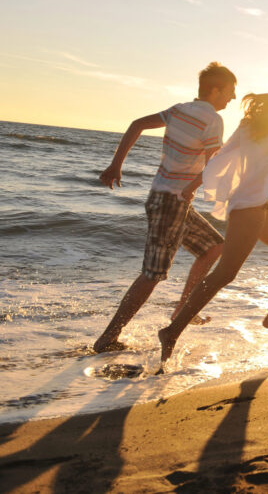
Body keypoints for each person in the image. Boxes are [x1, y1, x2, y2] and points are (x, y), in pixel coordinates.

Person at [158, 81, 268, 365]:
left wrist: (195, 185)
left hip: (249, 205)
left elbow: (220, 156)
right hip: (252, 208)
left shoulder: (250, 123)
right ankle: (172, 331)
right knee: (225, 274)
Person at [93, 62, 237, 353]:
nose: (232, 98)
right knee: (153, 273)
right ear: (215, 89)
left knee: (214, 248)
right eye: (230, 92)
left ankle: (183, 310)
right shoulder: (212, 119)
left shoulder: (178, 109)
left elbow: (137, 124)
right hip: (171, 201)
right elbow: (213, 166)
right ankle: (107, 338)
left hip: (170, 200)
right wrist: (192, 187)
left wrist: (116, 164)